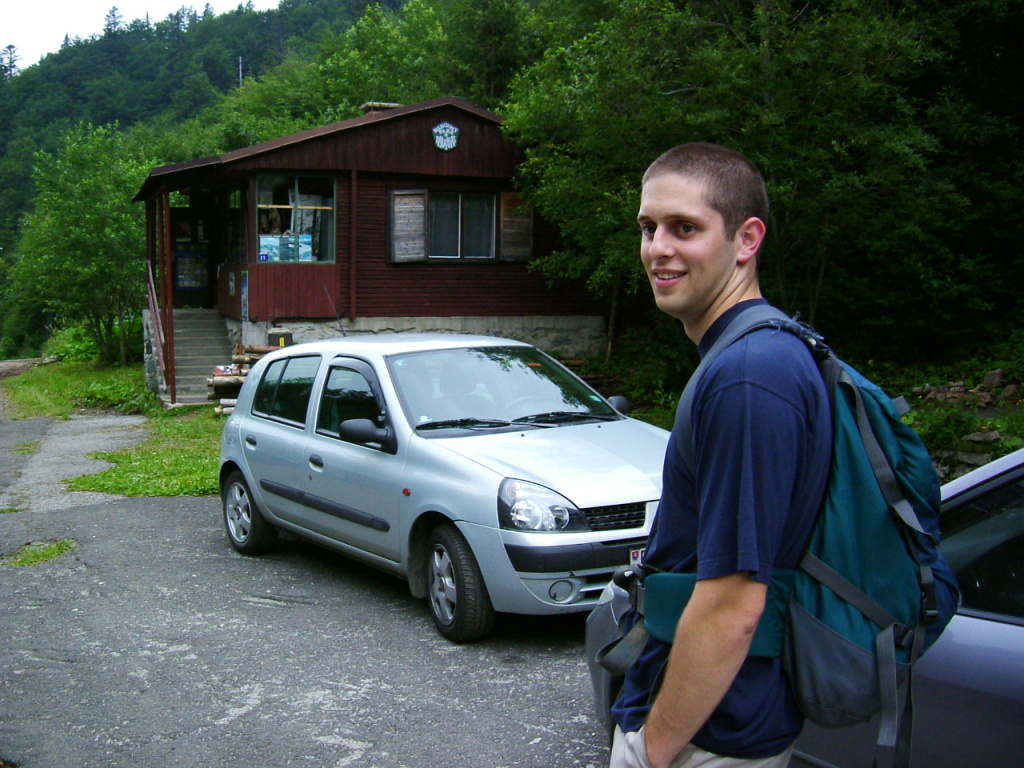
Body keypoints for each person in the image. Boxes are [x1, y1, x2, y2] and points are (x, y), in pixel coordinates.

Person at [609, 143, 833, 768]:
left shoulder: (749, 376)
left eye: (685, 228)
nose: (658, 248)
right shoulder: (758, 351)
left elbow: (734, 602)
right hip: (719, 719)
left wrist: (653, 750)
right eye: (649, 228)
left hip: (712, 735)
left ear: (746, 240)